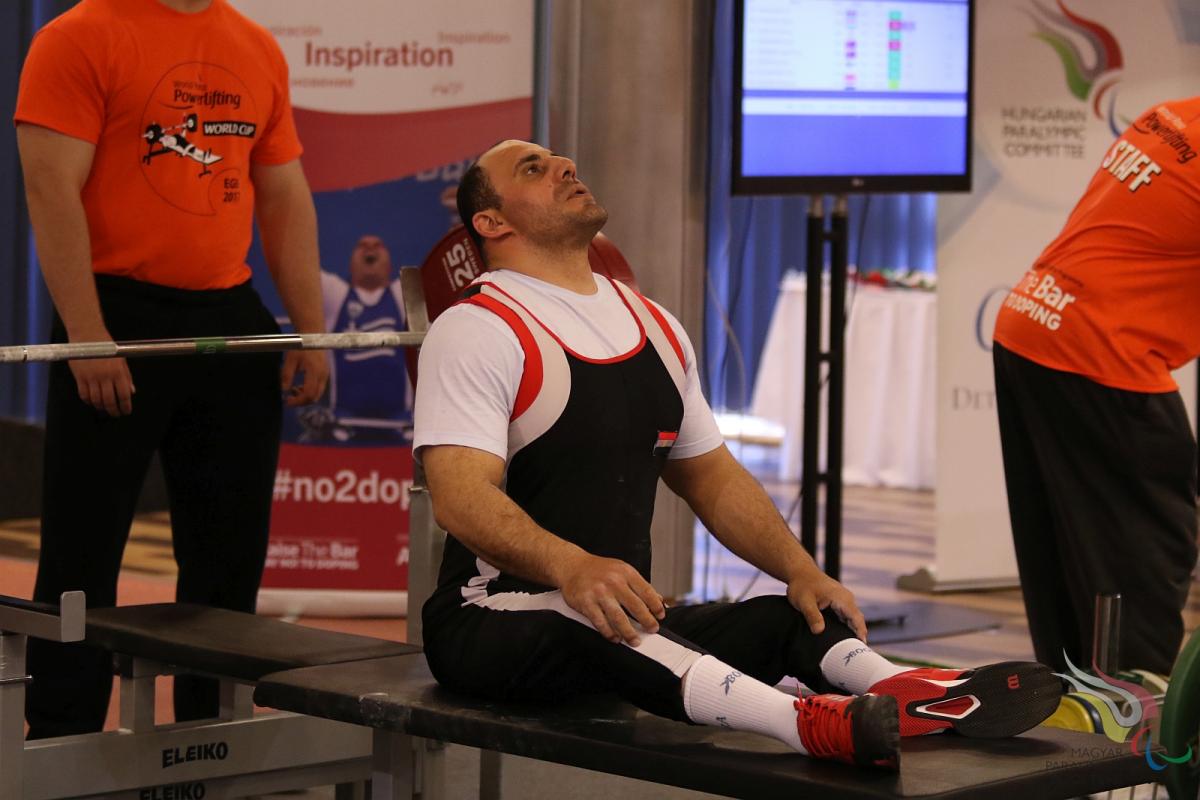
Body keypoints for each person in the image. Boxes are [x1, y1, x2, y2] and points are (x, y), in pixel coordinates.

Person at [413, 139, 1062, 769]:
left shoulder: (655, 325)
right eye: (535, 167)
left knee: (792, 616)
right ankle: (803, 722)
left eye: (561, 160)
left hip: (620, 621)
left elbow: (713, 479)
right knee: (593, 613)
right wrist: (571, 566)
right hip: (487, 624)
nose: (564, 166)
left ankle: (905, 691)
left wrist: (799, 568)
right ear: (490, 221)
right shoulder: (477, 329)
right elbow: (461, 499)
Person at [14, 0, 329, 737]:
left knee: (229, 552)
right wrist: (89, 336)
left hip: (228, 315)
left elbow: (282, 192)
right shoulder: (78, 36)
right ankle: (61, 739)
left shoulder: (254, 46)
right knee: (81, 549)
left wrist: (309, 332)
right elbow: (49, 189)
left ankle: (211, 734)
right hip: (116, 312)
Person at [993, 97, 1200, 678]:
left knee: (1067, 573)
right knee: (1139, 573)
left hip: (1032, 325)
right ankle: (1134, 748)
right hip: (1099, 355)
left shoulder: (1177, 114)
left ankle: (1078, 737)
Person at [307, 235, 412, 444]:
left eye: (377, 245)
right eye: (362, 246)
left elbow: (447, 274)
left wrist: (456, 217)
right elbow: (300, 269)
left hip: (401, 428)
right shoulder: (337, 295)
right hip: (343, 426)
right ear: (351, 263)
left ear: (390, 264)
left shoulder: (402, 295)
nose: (369, 249)